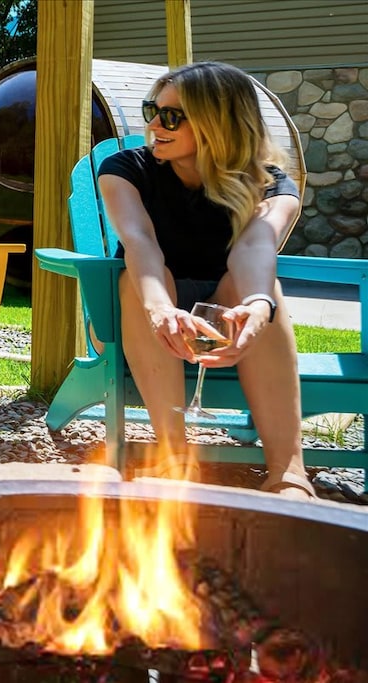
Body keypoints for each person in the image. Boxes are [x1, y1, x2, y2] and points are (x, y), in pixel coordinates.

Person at [97, 61, 315, 498]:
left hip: (219, 318)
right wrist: (160, 309)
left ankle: (289, 472)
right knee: (137, 282)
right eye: (152, 110)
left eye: (172, 116)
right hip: (138, 320)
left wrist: (257, 306)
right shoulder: (125, 170)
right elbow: (141, 243)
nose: (155, 124)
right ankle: (176, 460)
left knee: (263, 293)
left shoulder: (270, 185)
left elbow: (255, 247)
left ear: (218, 124)